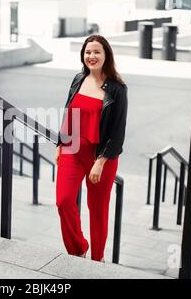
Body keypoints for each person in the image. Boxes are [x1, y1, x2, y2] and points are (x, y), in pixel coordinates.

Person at [55, 35, 128, 262]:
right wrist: (60, 143)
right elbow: (69, 111)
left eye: (97, 52)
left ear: (106, 55)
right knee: (64, 201)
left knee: (97, 211)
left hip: (100, 158)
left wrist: (101, 161)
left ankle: (97, 260)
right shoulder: (78, 79)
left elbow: (117, 132)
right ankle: (78, 248)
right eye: (88, 52)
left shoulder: (118, 89)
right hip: (72, 150)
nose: (92, 56)